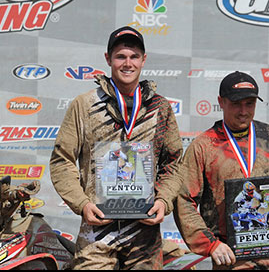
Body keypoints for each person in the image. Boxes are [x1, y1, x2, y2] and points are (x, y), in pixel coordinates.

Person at [49, 26, 184, 269]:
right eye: (121, 56)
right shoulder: (85, 105)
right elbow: (62, 161)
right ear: (108, 59)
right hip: (97, 229)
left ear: (144, 60)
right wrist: (82, 204)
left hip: (144, 232)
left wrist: (163, 200)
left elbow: (173, 162)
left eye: (134, 56)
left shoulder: (160, 107)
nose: (127, 63)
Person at [173, 71, 269, 269]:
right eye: (236, 103)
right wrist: (211, 245)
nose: (243, 111)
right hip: (232, 260)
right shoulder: (203, 146)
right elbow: (183, 200)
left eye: (250, 104)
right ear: (221, 102)